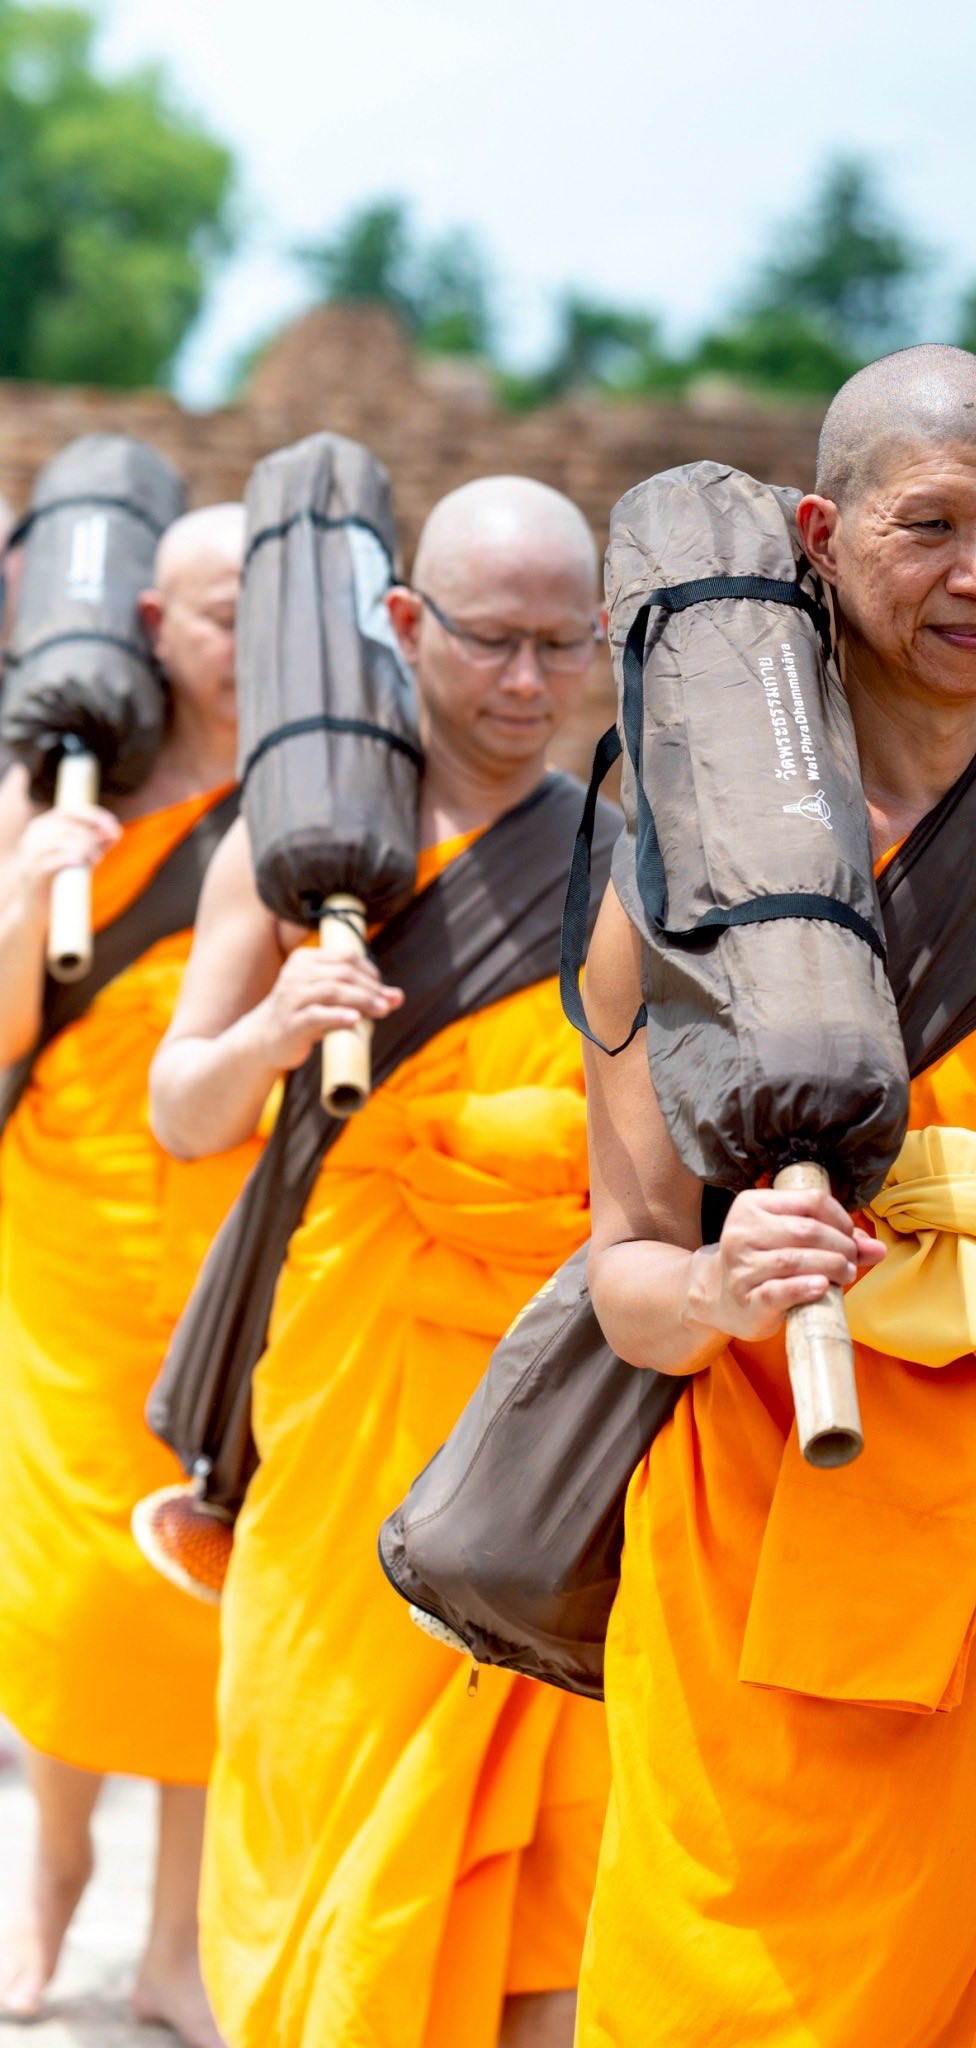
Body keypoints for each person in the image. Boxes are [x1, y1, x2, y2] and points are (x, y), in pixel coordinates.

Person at [576, 347, 976, 2046]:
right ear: (819, 528)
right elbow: (624, 1271)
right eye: (927, 525)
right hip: (776, 1552)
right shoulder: (683, 862)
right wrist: (722, 1289)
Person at [149, 477, 612, 2048]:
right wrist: (275, 1028)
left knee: (543, 1847)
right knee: (315, 1793)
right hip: (345, 1417)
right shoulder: (294, 850)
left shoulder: (629, 858)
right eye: (492, 642)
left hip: (551, 1427)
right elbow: (180, 1106)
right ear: (405, 625)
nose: (529, 686)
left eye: (566, 646)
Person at [0, 504, 253, 2046]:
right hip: (72, 1226)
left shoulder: (330, 790)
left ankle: (176, 1944)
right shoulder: (60, 779)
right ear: (156, 618)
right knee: (68, 1584)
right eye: (220, 615)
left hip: (238, 1235)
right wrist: (34, 884)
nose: (243, 646)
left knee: (201, 1585)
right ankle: (49, 1877)